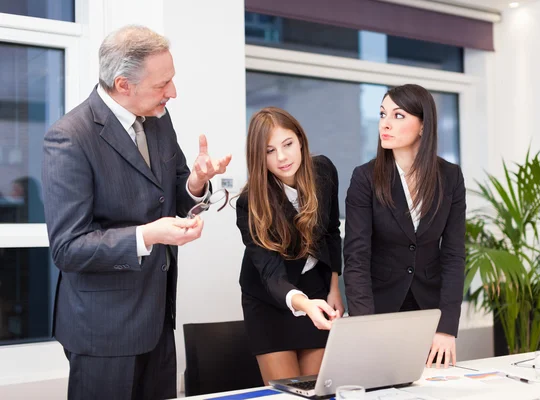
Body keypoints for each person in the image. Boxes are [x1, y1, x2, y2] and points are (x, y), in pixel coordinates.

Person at [41, 25, 231, 400]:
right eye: (163, 84)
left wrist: (195, 183)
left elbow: (172, 194)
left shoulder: (159, 120)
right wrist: (149, 235)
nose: (172, 93)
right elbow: (68, 248)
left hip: (158, 321)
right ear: (123, 83)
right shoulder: (69, 137)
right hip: (102, 332)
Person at [343, 84, 466, 369]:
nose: (385, 123)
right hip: (378, 306)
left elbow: (453, 255)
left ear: (424, 126)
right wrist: (364, 324)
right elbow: (356, 257)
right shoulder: (365, 178)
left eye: (398, 116)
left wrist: (446, 326)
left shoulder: (450, 177)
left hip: (429, 309)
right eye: (383, 114)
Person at [236, 107, 343, 385]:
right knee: (288, 392)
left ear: (300, 141)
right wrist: (305, 305)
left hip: (315, 289)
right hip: (269, 299)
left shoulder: (323, 172)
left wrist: (334, 289)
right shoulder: (250, 202)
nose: (282, 157)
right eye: (269, 151)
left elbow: (332, 231)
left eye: (287, 144)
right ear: (258, 156)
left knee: (317, 388)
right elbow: (271, 275)